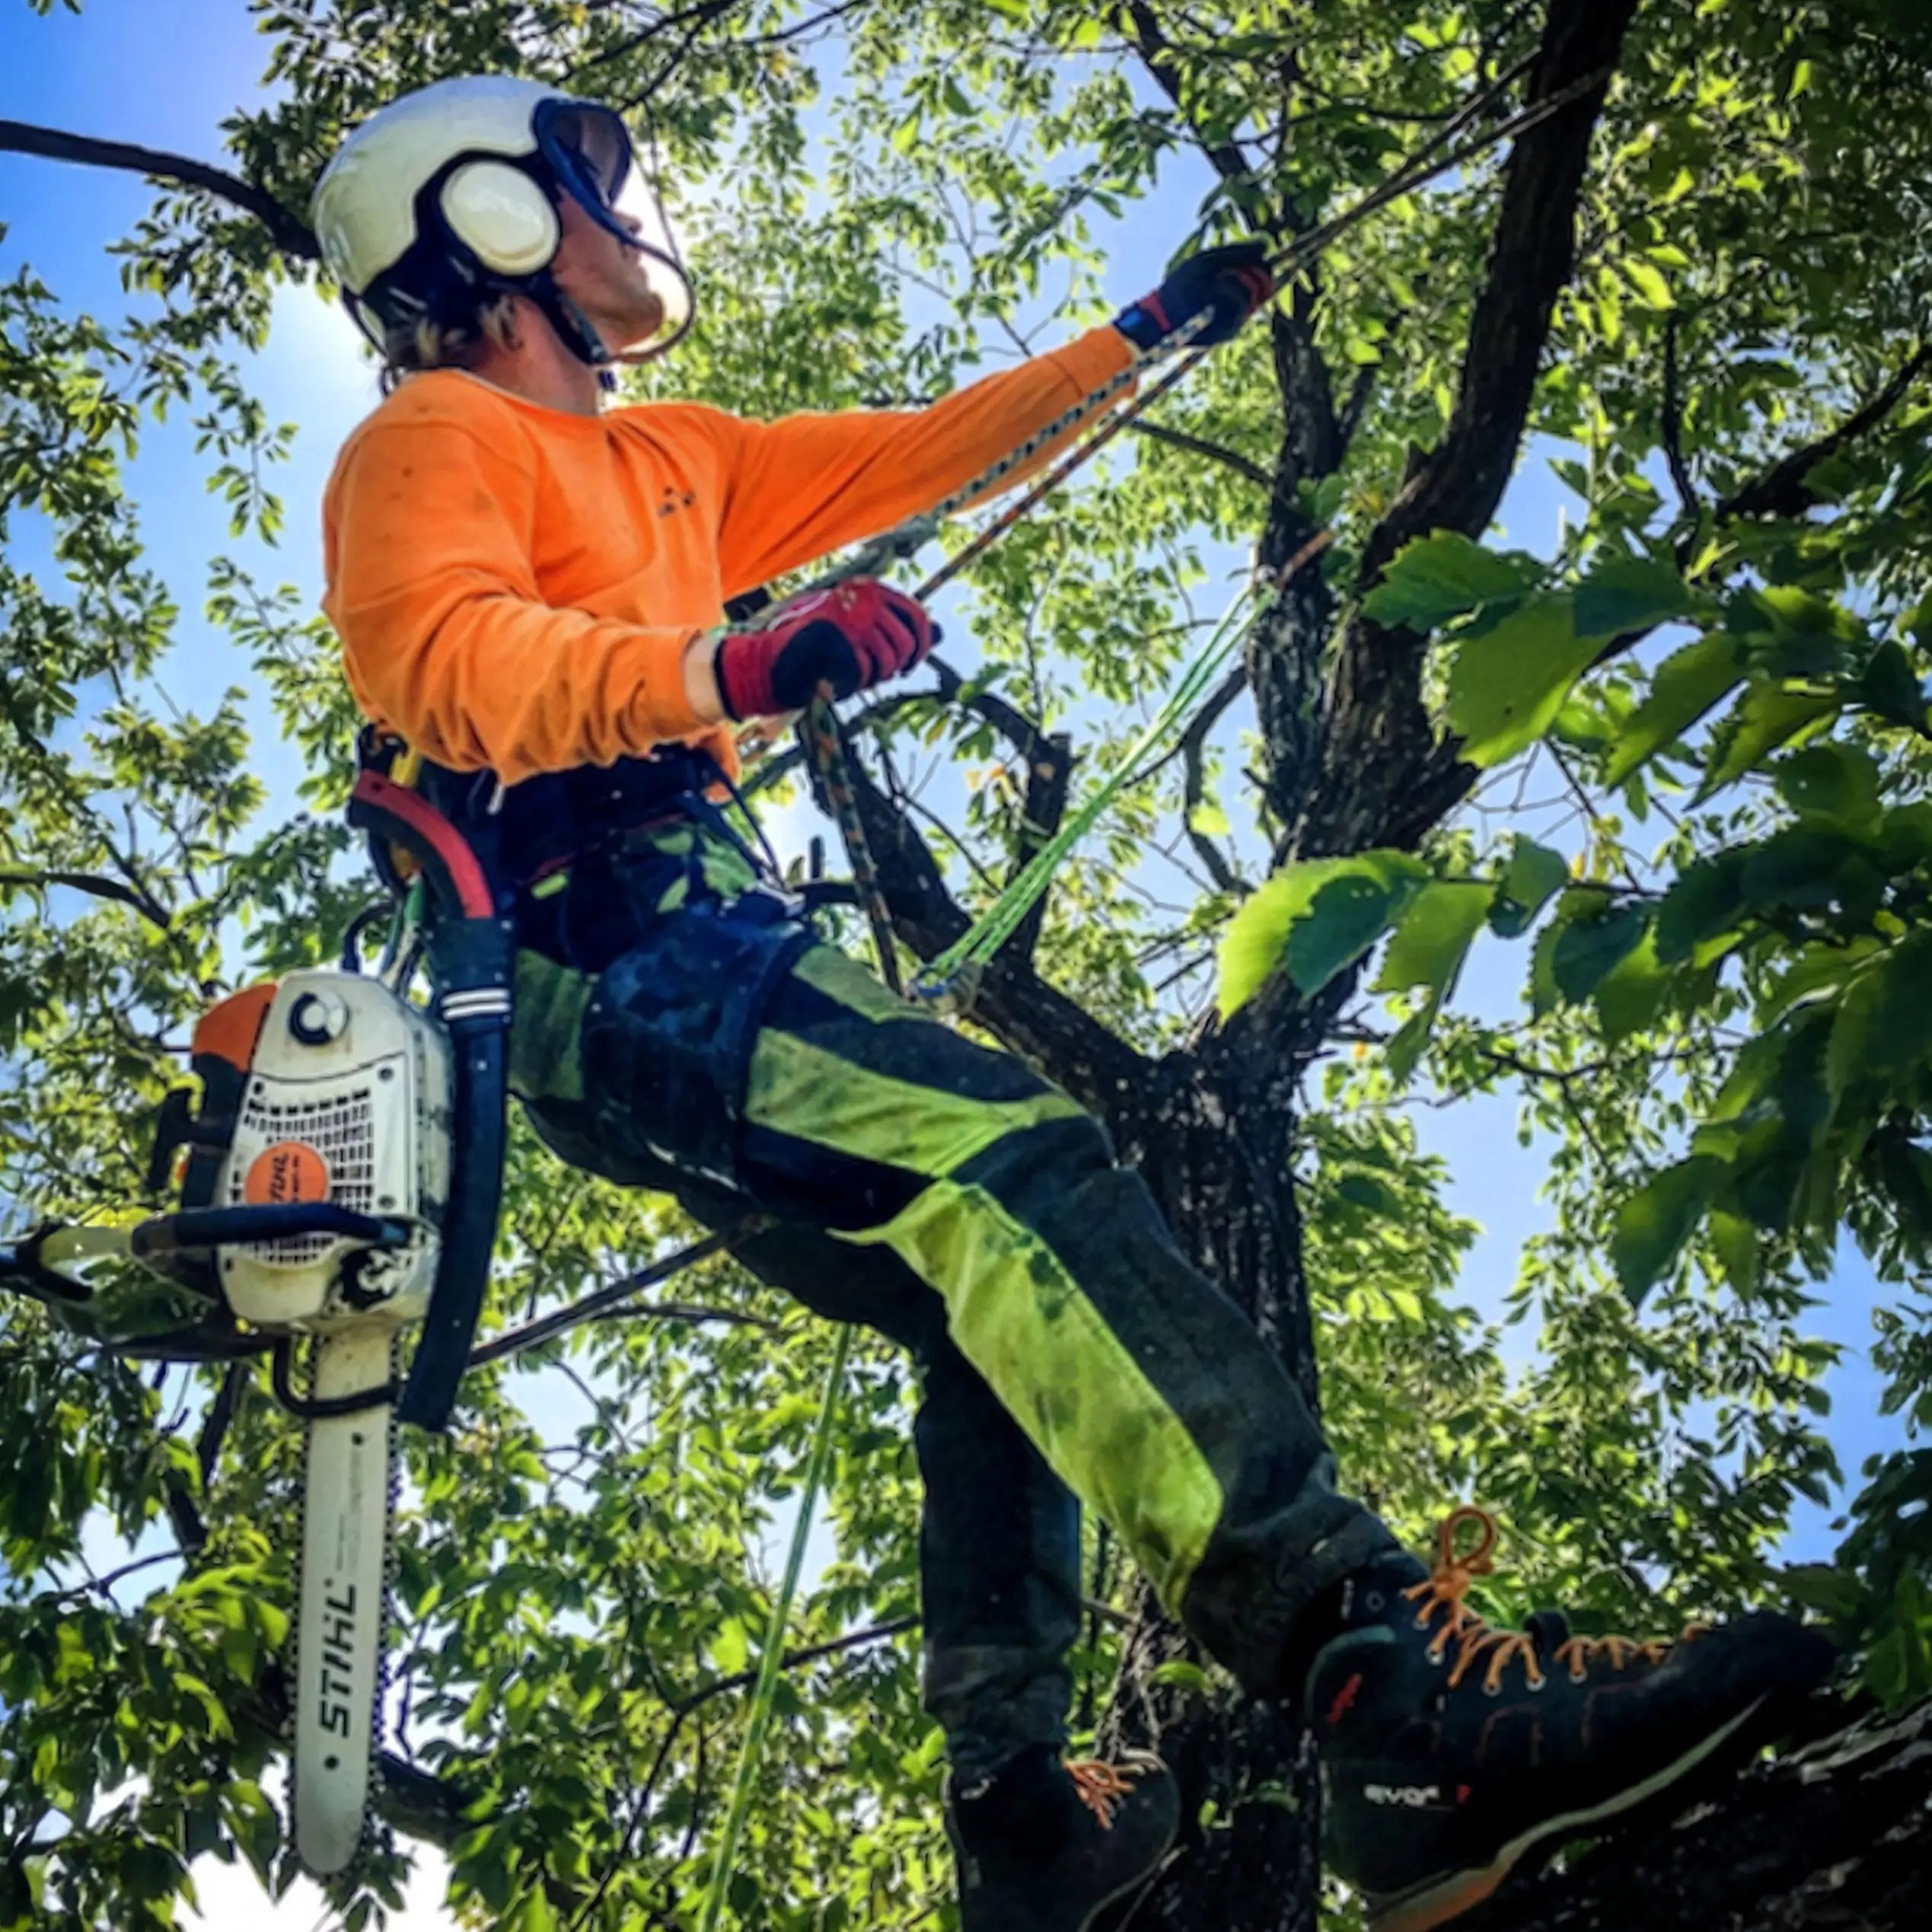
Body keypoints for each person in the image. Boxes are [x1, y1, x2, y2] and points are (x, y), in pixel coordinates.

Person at [312, 75, 1833, 1932]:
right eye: (584, 184)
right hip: (606, 937)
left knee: (987, 1313)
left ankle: (1019, 1816)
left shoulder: (671, 458)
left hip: (691, 938)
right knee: (1017, 1161)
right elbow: (449, 661)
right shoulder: (434, 435)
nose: (625, 215)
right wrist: (729, 662)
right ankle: (1382, 1692)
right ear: (483, 218)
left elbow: (921, 451)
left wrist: (1142, 334)